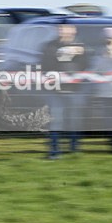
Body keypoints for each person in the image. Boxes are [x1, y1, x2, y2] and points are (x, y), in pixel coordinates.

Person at [39, 22, 89, 159]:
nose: (63, 31)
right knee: (56, 120)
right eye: (60, 28)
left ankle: (74, 149)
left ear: (74, 30)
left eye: (66, 28)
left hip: (75, 89)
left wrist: (81, 54)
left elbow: (86, 66)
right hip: (54, 90)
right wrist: (59, 54)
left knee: (75, 121)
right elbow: (45, 65)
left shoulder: (81, 46)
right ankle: (54, 151)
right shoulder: (50, 46)